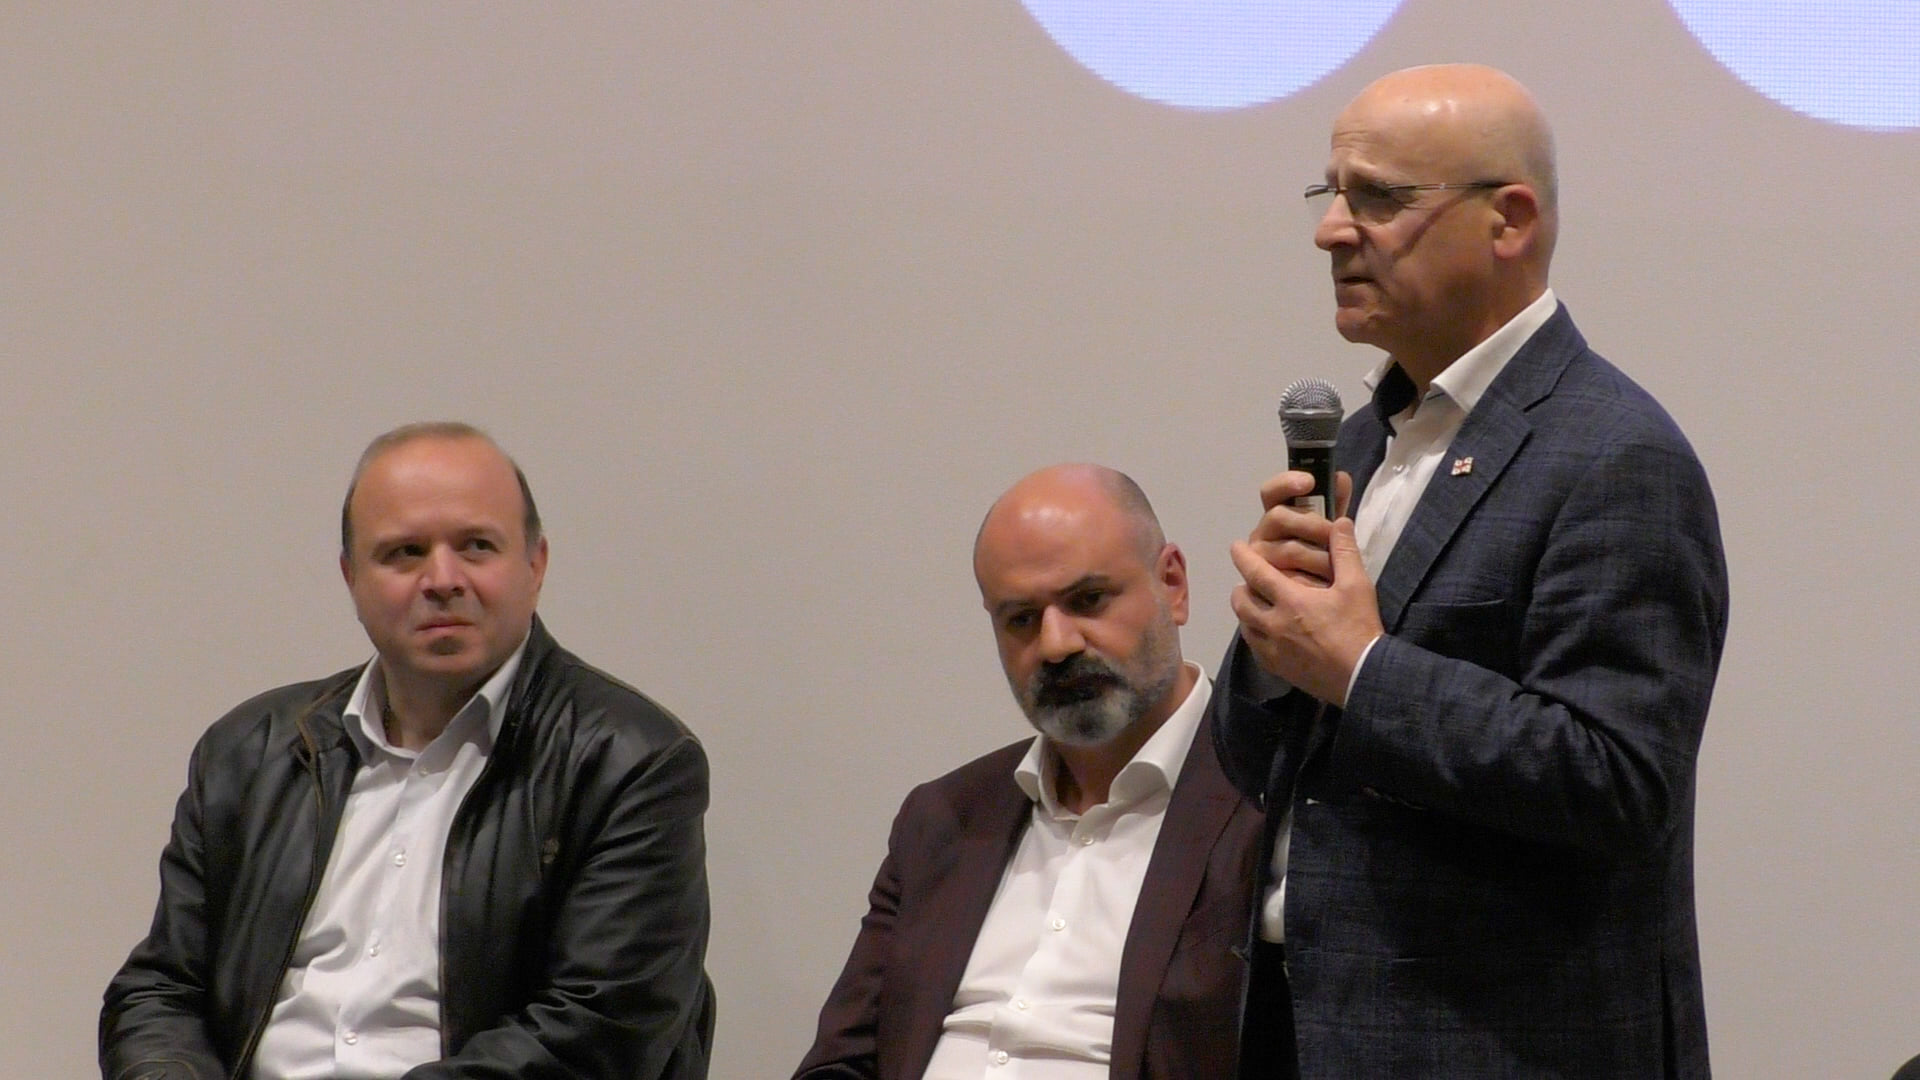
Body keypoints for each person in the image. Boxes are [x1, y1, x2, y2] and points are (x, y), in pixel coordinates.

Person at [1215, 65, 1729, 1078]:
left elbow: (1618, 780)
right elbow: (1268, 764)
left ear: (1510, 221)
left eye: (1379, 198)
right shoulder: (1360, 439)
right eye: (1332, 195)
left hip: (1492, 1046)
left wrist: (1360, 668)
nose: (1332, 232)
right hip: (1300, 1027)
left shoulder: (1615, 455)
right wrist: (1274, 650)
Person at [101, 422, 716, 1080]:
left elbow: (599, 1030)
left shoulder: (631, 761)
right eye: (405, 552)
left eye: (477, 546)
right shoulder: (251, 751)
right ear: (351, 578)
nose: (442, 579)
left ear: (535, 565)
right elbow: (161, 990)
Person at [794, 464, 1265, 1080]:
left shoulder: (1270, 796)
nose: (1056, 644)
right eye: (1020, 618)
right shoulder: (945, 818)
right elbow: (843, 1060)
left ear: (1172, 585)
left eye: (1088, 600)